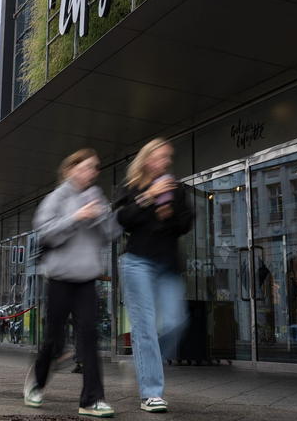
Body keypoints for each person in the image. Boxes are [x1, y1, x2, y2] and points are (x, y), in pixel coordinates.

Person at [24, 149, 119, 418]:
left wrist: (104, 217)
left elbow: (110, 234)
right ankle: (37, 383)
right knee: (53, 338)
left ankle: (91, 400)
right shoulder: (56, 198)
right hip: (60, 278)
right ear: (71, 170)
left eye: (95, 168)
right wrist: (76, 217)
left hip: (87, 278)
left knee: (88, 338)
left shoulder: (95, 195)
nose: (91, 172)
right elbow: (45, 233)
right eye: (86, 167)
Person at [114, 138, 192, 413]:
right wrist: (149, 196)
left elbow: (186, 222)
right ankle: (151, 392)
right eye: (160, 157)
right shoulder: (131, 185)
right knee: (145, 326)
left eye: (168, 158)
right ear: (147, 159)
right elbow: (123, 219)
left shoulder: (176, 188)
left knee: (176, 322)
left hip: (168, 264)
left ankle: (145, 360)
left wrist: (170, 214)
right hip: (137, 262)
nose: (165, 162)